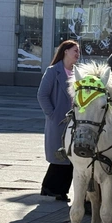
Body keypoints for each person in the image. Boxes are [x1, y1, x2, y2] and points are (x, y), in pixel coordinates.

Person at [37, 40, 80, 201]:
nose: (78, 53)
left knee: (71, 157)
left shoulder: (78, 73)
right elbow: (42, 95)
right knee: (59, 156)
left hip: (76, 121)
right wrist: (52, 114)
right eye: (75, 50)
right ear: (65, 52)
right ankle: (52, 188)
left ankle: (59, 190)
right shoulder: (53, 71)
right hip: (59, 120)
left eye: (78, 51)